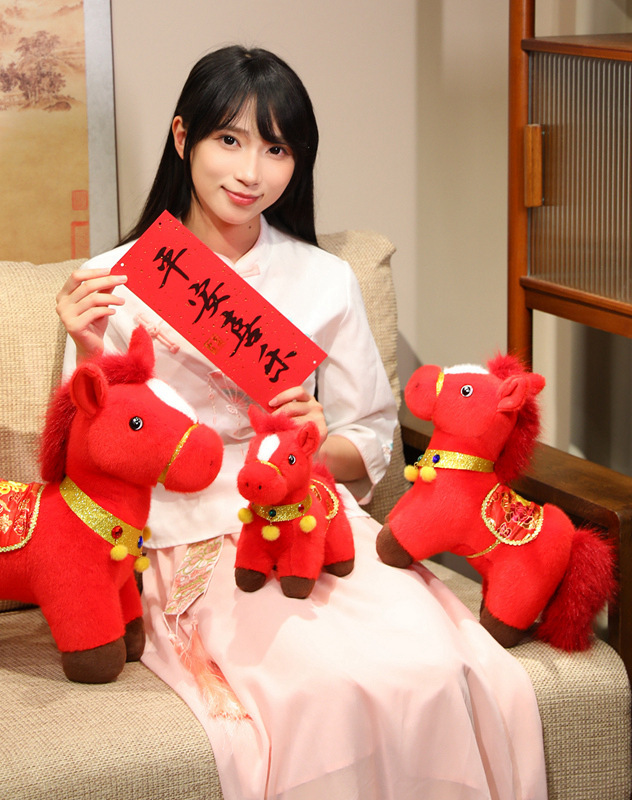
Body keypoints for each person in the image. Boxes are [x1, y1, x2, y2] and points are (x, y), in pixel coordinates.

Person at [56, 45, 546, 800]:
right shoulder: (114, 281)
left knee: (443, 664)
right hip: (187, 531)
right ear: (183, 137)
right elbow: (80, 464)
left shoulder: (324, 279)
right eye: (229, 140)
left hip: (311, 521)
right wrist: (89, 351)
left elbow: (372, 435)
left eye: (277, 149)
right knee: (322, 688)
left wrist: (316, 442)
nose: (251, 172)